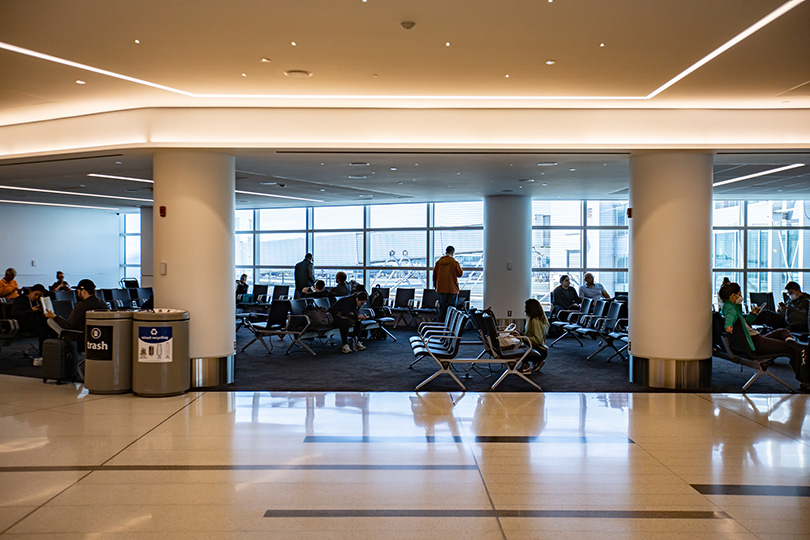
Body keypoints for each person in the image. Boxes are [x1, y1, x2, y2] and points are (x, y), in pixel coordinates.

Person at [719, 282, 806, 388]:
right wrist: (728, 325)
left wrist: (753, 314)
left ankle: (791, 342)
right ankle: (805, 380)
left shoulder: (732, 307)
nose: (741, 297)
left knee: (782, 332)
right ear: (733, 296)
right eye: (739, 294)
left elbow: (745, 325)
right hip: (755, 342)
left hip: (755, 338)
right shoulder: (730, 307)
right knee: (792, 349)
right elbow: (730, 316)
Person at [11, 284, 49, 363]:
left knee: (45, 325)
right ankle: (43, 353)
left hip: (35, 323)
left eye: (40, 295)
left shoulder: (37, 301)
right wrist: (31, 310)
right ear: (31, 291)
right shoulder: (20, 300)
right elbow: (14, 314)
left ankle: (47, 351)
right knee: (44, 324)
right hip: (23, 323)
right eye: (36, 294)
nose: (37, 297)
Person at [433, 246, 463, 322]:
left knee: (442, 309)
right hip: (452, 289)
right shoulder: (454, 263)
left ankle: (440, 324)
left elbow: (434, 276)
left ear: (446, 252)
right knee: (451, 309)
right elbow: (460, 274)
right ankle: (450, 325)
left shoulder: (438, 263)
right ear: (452, 253)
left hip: (441, 289)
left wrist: (436, 286)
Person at [520, 298, 549, 374]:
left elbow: (537, 340)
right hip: (540, 349)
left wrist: (523, 338)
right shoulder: (534, 319)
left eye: (526, 308)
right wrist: (521, 335)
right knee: (520, 341)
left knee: (520, 347)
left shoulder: (535, 320)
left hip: (540, 350)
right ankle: (535, 362)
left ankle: (527, 365)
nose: (525, 310)